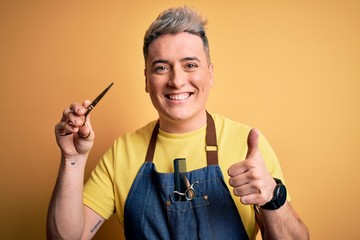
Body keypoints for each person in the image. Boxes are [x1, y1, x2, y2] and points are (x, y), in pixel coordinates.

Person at [47, 6, 309, 240]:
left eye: (190, 65)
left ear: (210, 73)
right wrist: (73, 158)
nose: (177, 80)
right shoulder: (122, 153)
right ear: (146, 80)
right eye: (161, 67)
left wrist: (273, 197)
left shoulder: (247, 146)